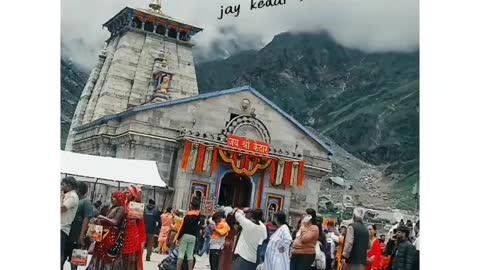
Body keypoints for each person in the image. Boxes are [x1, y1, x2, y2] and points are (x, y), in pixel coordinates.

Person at [86, 192, 127, 270]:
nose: (112, 199)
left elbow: (115, 221)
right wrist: (98, 219)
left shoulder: (121, 208)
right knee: (98, 253)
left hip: (111, 235)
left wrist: (103, 217)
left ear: (119, 199)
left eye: (114, 197)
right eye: (112, 197)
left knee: (105, 255)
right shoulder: (112, 207)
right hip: (105, 233)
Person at [66, 181, 93, 270]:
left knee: (74, 260)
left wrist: (81, 236)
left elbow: (87, 218)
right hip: (69, 232)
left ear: (77, 189)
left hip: (77, 234)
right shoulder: (75, 199)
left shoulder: (86, 201)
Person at [122, 185, 146, 270]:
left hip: (132, 234)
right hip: (124, 233)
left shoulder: (135, 205)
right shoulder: (125, 203)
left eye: (128, 192)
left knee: (131, 258)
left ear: (132, 194)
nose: (126, 193)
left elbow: (140, 223)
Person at [175, 200, 202, 270]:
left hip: (185, 235)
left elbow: (182, 228)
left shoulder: (187, 216)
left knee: (181, 254)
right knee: (190, 255)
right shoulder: (199, 216)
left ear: (191, 206)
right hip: (193, 237)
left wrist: (178, 238)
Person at [61, 176, 79, 270]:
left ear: (69, 185)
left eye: (63, 184)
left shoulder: (72, 196)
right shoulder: (67, 194)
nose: (61, 186)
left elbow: (63, 208)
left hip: (62, 228)